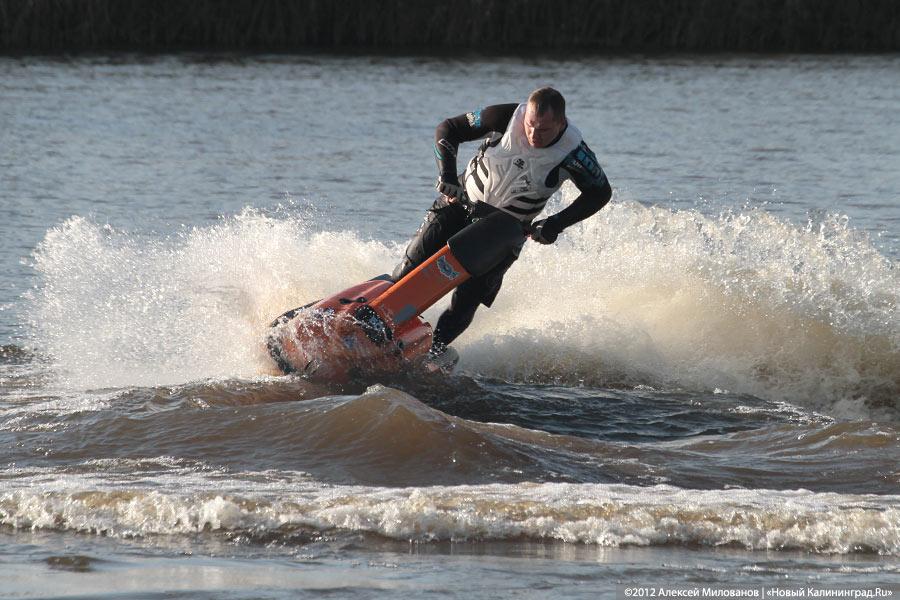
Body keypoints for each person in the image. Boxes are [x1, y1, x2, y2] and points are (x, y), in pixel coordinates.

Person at [393, 87, 612, 356]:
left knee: (466, 301)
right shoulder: (504, 116)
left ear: (561, 123)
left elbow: (600, 193)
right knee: (409, 271)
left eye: (544, 130)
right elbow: (448, 129)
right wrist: (447, 175)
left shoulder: (575, 154)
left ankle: (433, 352)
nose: (533, 134)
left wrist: (555, 224)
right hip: (460, 204)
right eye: (530, 125)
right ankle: (376, 320)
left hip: (502, 233)